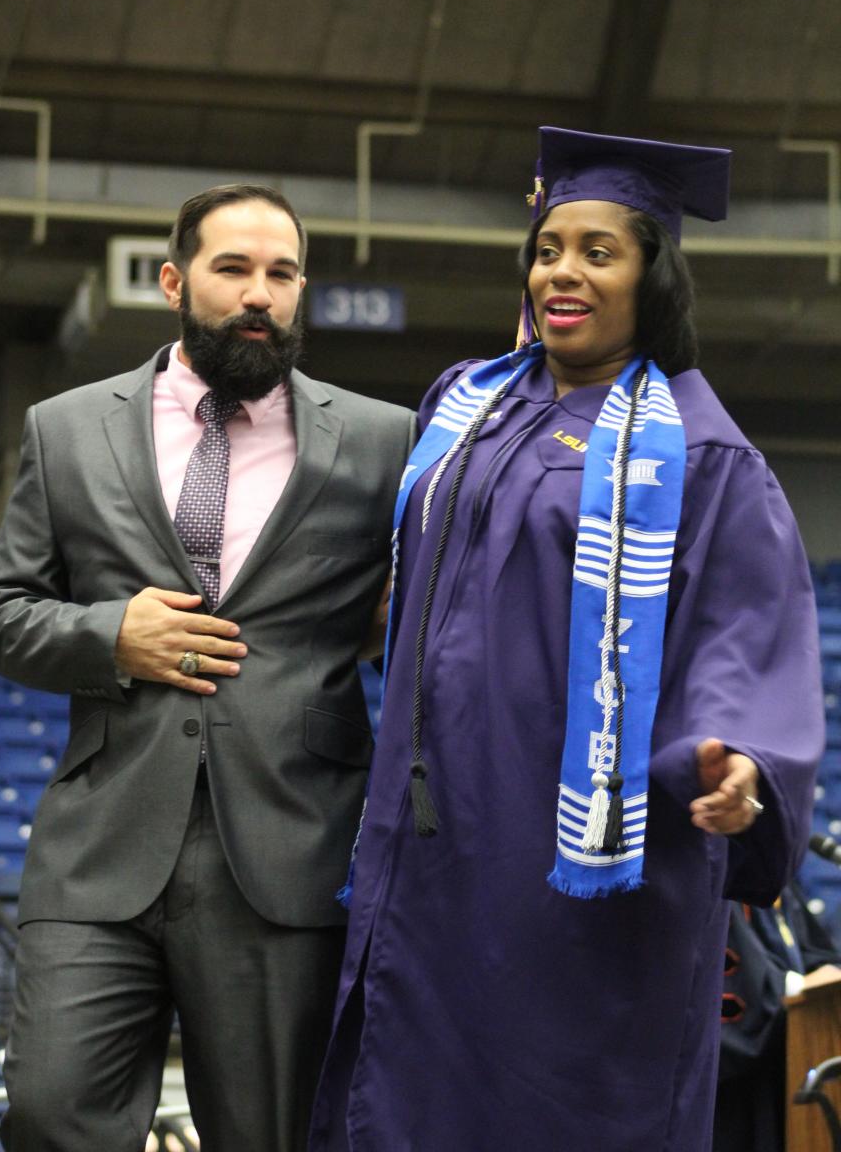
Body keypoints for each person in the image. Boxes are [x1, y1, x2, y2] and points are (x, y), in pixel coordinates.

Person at [307, 128, 825, 1152]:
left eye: (600, 251)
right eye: (549, 248)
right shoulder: (467, 411)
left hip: (581, 880)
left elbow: (745, 634)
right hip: (436, 844)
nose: (563, 272)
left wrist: (740, 765)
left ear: (654, 275)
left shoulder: (703, 451)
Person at [0, 183, 415, 1152]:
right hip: (101, 853)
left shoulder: (386, 442)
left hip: (290, 856)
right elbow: (2, 616)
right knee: (49, 1115)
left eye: (283, 273)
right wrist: (109, 637)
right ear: (175, 281)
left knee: (276, 1138)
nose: (261, 293)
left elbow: (421, 618)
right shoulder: (67, 426)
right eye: (233, 269)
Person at [715, 885, 841, 1152]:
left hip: (789, 1055)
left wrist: (826, 971)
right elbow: (741, 986)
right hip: (735, 1096)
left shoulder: (775, 875)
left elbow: (816, 951)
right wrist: (795, 985)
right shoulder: (726, 872)